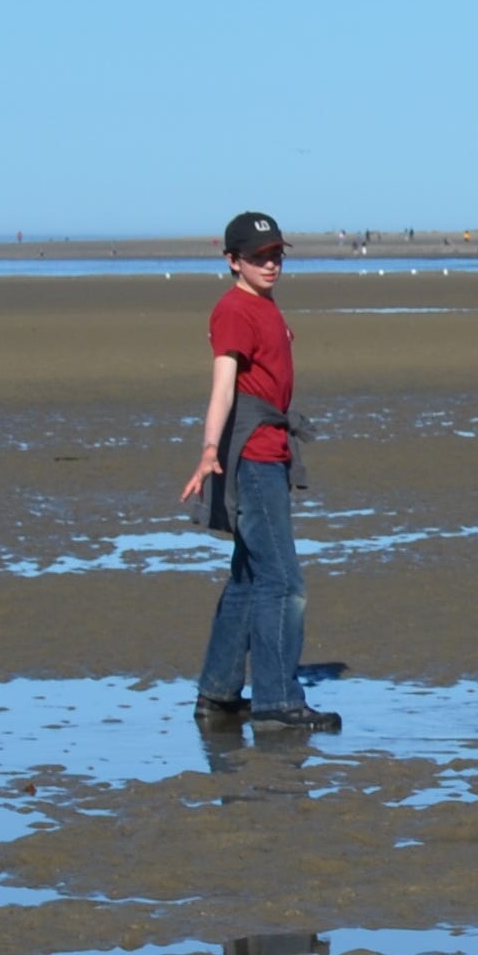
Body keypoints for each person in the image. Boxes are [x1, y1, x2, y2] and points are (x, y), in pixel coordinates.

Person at [176, 212, 331, 730]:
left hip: (272, 448)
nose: (271, 264)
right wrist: (207, 450)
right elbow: (222, 386)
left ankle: (218, 694)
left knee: (246, 578)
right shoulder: (234, 310)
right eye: (259, 257)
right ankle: (278, 700)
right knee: (284, 583)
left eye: (276, 255)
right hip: (253, 457)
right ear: (232, 260)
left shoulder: (263, 304)